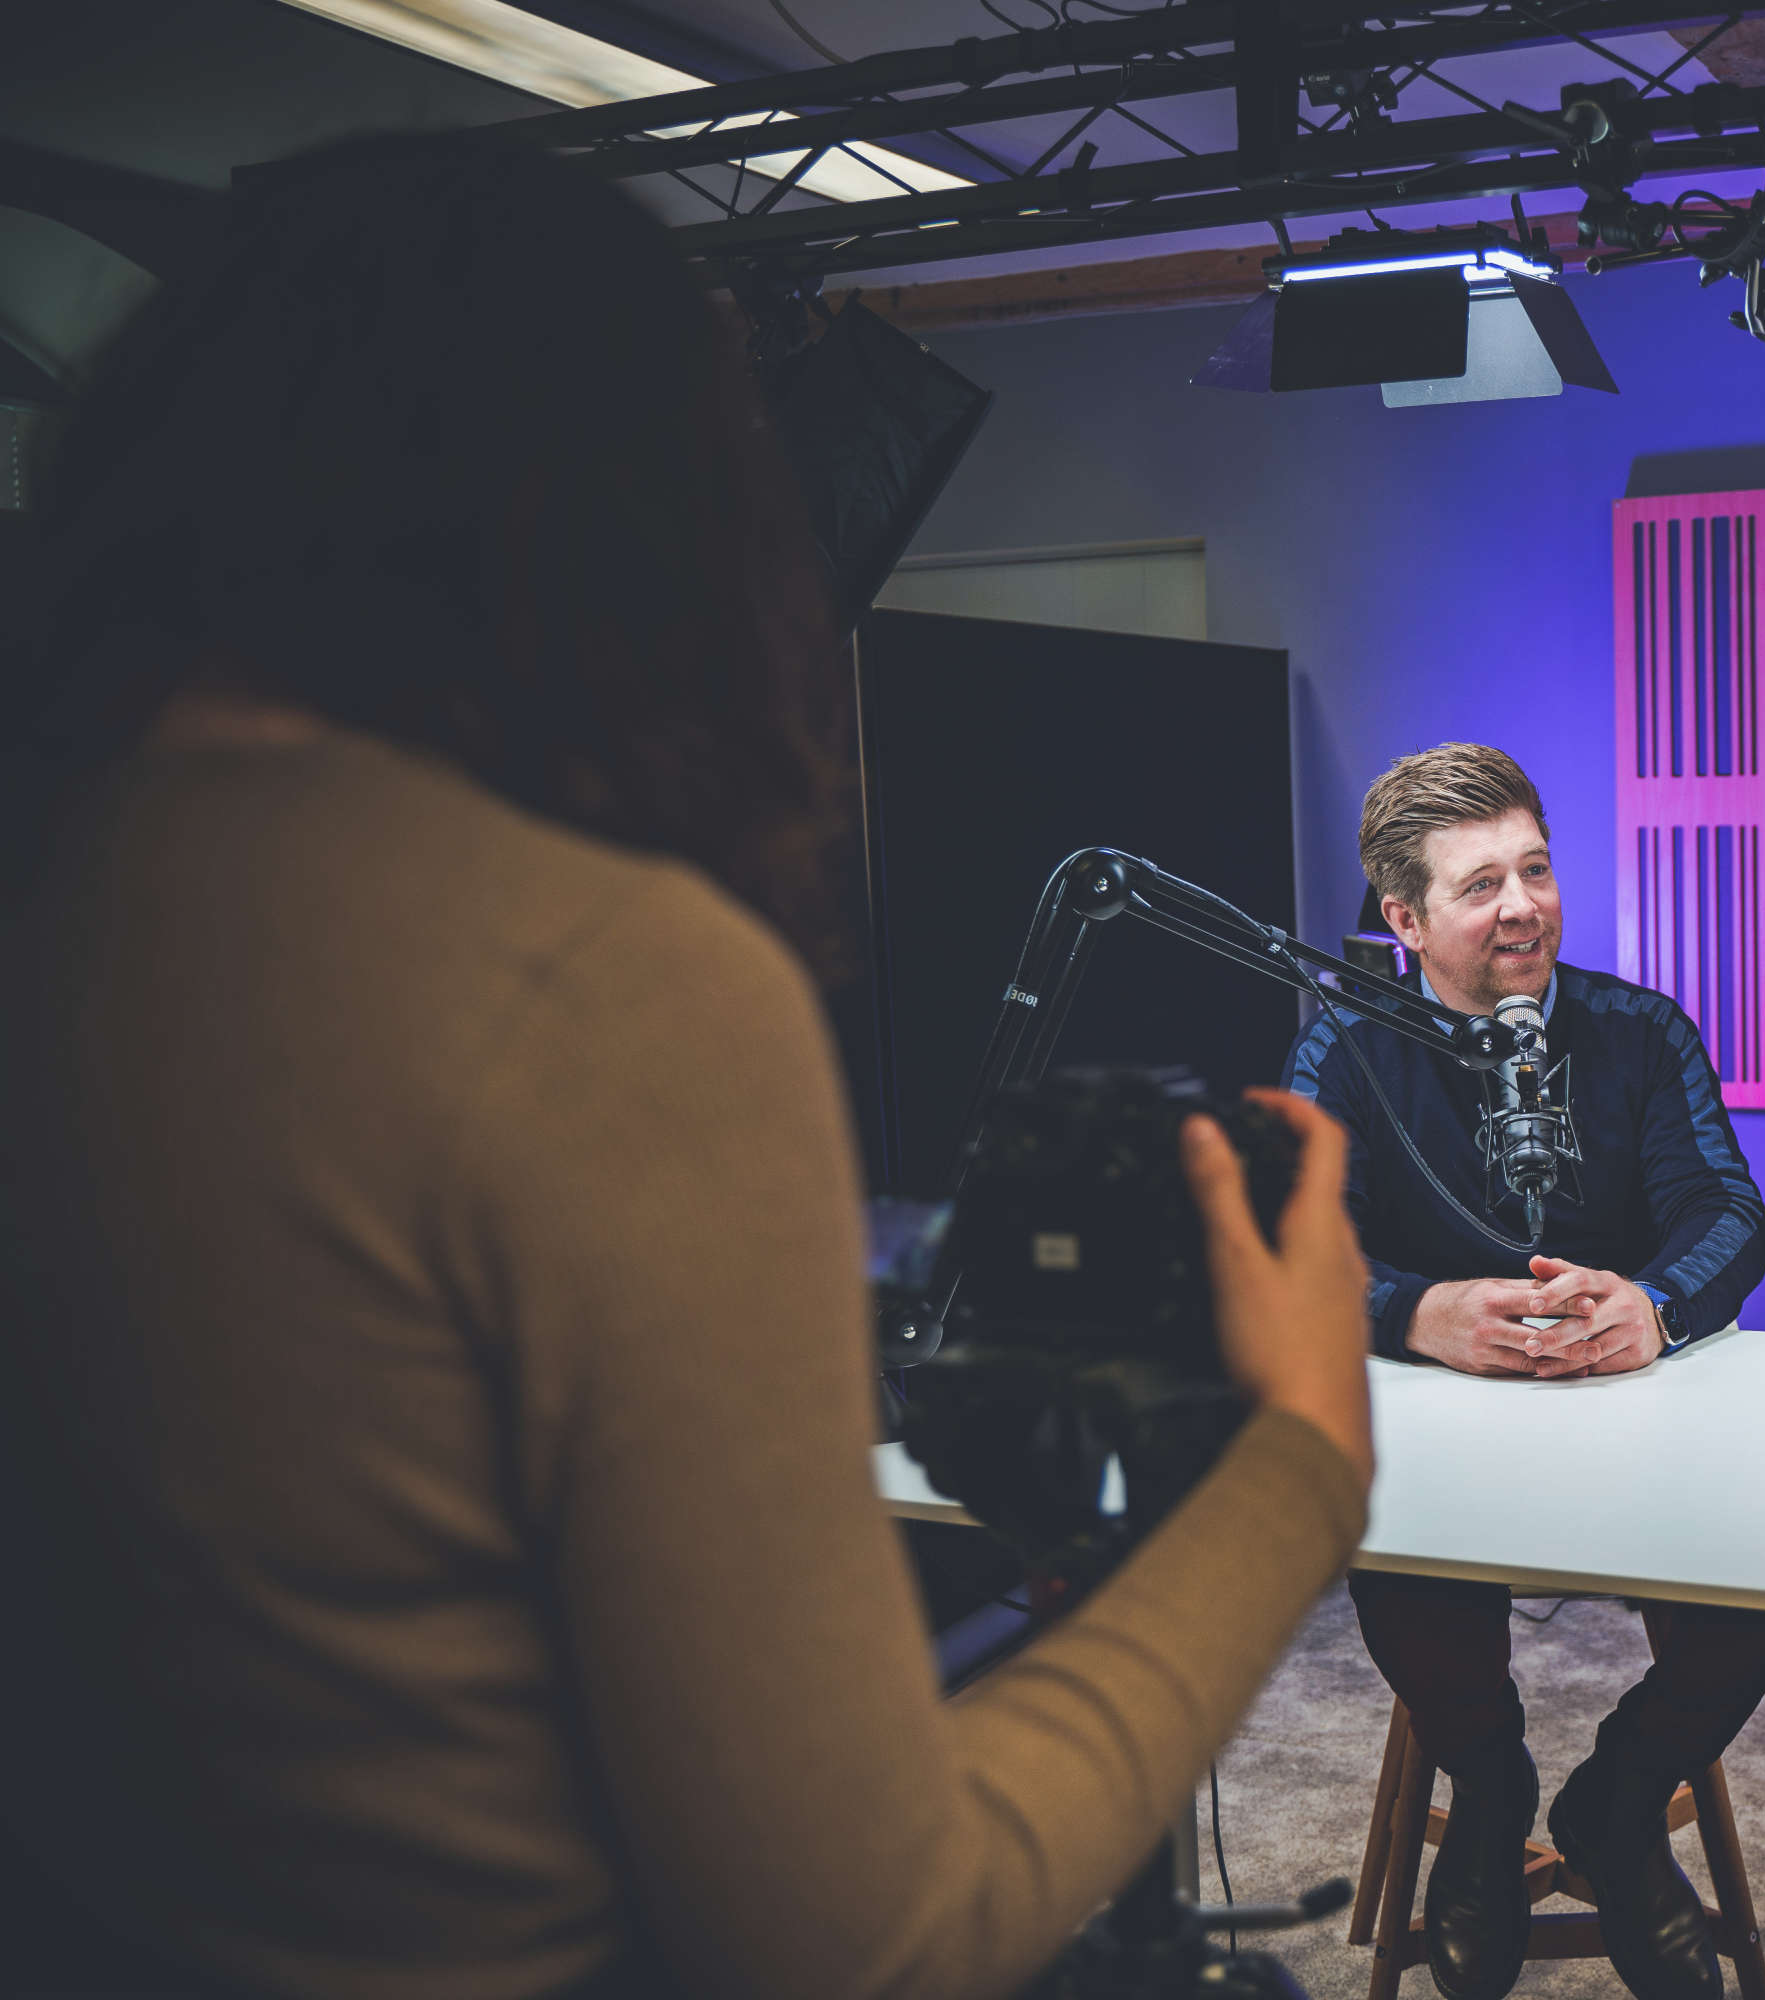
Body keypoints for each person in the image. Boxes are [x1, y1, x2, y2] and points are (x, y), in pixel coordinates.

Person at [0, 133, 1374, 2000]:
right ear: (667, 527)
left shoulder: (91, 872)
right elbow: (867, 1934)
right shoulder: (586, 976)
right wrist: (1301, 1459)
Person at [1284, 744, 1765, 2000]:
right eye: (1481, 885)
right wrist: (1421, 1313)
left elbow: (1731, 1214)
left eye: (1536, 867)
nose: (1524, 903)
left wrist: (1655, 1304)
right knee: (1393, 1539)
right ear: (1403, 920)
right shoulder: (1347, 1047)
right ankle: (1490, 1787)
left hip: (1640, 1421)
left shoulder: (1641, 1029)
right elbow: (1291, 1250)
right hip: (1447, 1439)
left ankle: (1617, 1804)